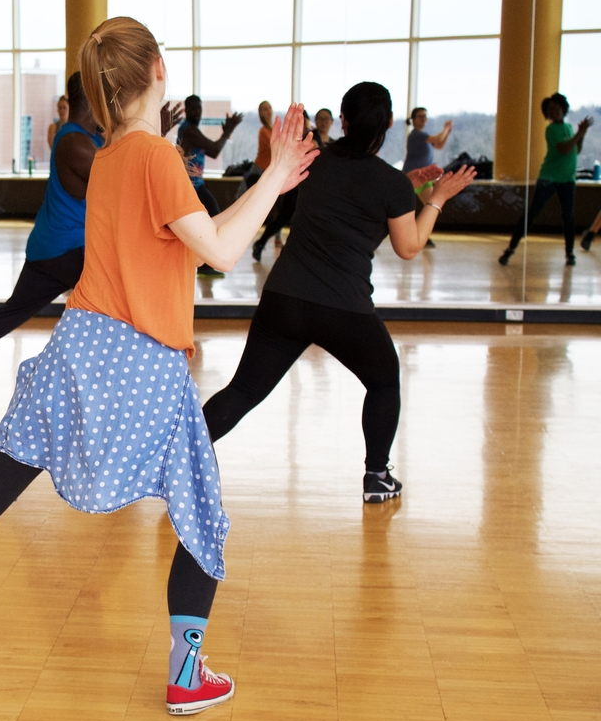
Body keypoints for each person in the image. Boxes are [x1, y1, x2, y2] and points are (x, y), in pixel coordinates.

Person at [0, 16, 316, 717]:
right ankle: (186, 674)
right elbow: (221, 253)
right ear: (157, 72)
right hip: (143, 360)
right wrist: (273, 175)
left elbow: (202, 235)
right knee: (201, 513)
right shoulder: (155, 157)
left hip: (76, 346)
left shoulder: (113, 154)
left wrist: (270, 179)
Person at [201, 81, 475, 506]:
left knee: (244, 390)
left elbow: (346, 184)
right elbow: (409, 247)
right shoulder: (390, 184)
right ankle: (377, 476)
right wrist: (436, 197)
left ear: (342, 120)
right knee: (384, 381)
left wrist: (405, 185)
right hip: (343, 308)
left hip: (285, 299)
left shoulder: (314, 161)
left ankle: (181, 459)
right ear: (387, 124)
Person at [0, 74, 181, 413]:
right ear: (92, 99)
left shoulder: (85, 138)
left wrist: (149, 131)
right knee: (125, 310)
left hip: (50, 248)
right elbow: (124, 174)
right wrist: (152, 131)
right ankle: (121, 398)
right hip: (68, 251)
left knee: (9, 317)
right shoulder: (75, 143)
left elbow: (119, 154)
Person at [500, 93, 593, 266]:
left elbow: (576, 150)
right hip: (548, 178)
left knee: (568, 217)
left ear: (563, 109)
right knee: (532, 214)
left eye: (557, 107)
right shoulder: (550, 130)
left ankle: (570, 253)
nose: (554, 111)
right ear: (547, 114)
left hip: (567, 179)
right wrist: (579, 134)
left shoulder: (569, 128)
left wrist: (582, 134)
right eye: (551, 109)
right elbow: (564, 149)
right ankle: (510, 249)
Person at [178, 95, 243, 278]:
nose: (197, 112)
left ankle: (204, 261)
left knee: (212, 217)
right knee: (214, 217)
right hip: (191, 185)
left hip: (196, 184)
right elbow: (214, 151)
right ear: (186, 110)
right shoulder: (189, 130)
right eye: (193, 109)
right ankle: (206, 262)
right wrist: (227, 132)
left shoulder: (191, 129)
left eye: (199, 108)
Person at [251, 110, 313, 262]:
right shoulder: (295, 139)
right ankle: (261, 243)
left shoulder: (316, 137)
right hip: (294, 184)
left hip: (311, 186)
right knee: (284, 216)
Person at [402, 107, 453, 248]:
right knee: (430, 205)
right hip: (414, 177)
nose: (424, 119)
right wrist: (446, 129)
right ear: (413, 120)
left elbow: (439, 144)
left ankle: (423, 235)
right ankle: (420, 235)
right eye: (420, 116)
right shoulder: (416, 135)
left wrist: (447, 132)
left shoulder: (423, 135)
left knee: (429, 205)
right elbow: (438, 139)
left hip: (423, 178)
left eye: (425, 116)